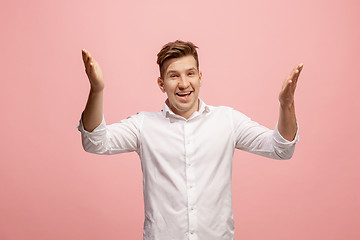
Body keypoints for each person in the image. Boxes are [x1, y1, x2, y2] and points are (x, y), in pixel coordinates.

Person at [77, 40, 303, 240]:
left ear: (200, 77)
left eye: (190, 73)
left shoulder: (227, 120)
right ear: (161, 83)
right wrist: (97, 90)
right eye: (174, 76)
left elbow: (281, 148)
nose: (184, 83)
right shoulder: (143, 125)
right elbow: (95, 142)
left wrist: (287, 105)